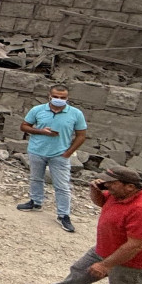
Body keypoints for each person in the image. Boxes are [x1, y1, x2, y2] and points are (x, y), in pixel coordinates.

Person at [18, 84, 88, 233]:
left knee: (62, 186)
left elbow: (81, 135)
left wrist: (69, 152)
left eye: (63, 98)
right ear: (49, 96)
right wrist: (40, 131)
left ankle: (63, 215)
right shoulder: (37, 110)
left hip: (60, 154)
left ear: (67, 98)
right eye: (56, 97)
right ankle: (35, 202)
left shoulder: (76, 114)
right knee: (36, 178)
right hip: (36, 151)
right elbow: (24, 126)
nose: (59, 100)